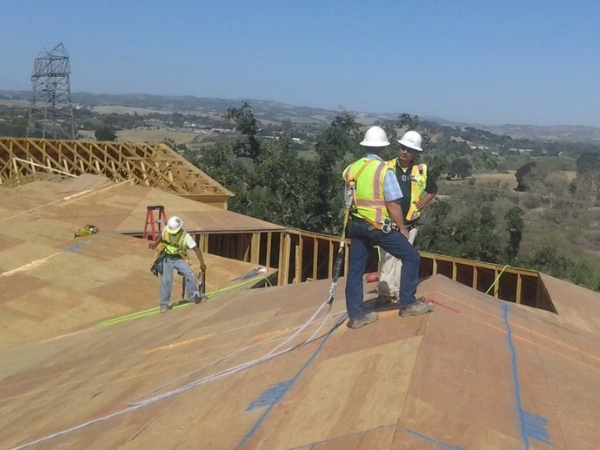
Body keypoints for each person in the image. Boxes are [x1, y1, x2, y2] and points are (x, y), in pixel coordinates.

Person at [342, 126, 434, 329]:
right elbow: (393, 204)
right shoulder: (385, 170)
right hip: (377, 227)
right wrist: (401, 227)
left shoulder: (351, 169)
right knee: (411, 257)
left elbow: (348, 200)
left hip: (356, 225)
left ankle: (356, 317)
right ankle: (408, 303)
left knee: (355, 271)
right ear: (383, 149)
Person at [376, 131, 438, 305]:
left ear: (415, 153)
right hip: (389, 224)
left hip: (410, 223)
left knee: (404, 261)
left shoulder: (421, 171)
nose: (404, 152)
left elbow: (433, 190)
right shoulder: (386, 167)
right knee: (387, 260)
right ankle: (385, 293)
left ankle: (397, 292)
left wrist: (424, 202)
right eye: (402, 148)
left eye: (409, 150)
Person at [152, 216, 207, 313]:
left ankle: (193, 297)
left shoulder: (186, 237)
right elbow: (161, 235)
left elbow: (196, 249)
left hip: (179, 259)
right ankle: (164, 305)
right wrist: (155, 244)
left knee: (190, 274)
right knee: (166, 280)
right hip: (167, 258)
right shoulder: (166, 229)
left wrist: (202, 263)